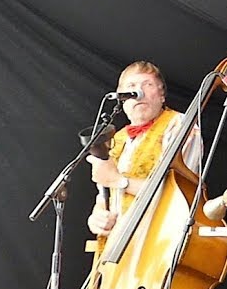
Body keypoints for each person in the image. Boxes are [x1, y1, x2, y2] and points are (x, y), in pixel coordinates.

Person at [86, 61, 202, 237]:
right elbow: (104, 195)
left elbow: (178, 193)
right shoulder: (117, 139)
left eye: (147, 85)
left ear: (162, 95)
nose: (138, 94)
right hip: (117, 245)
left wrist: (119, 181)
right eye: (131, 86)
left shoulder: (180, 125)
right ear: (121, 99)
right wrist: (97, 217)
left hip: (159, 242)